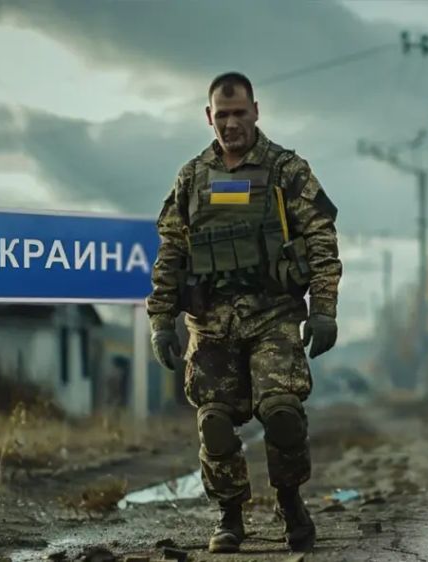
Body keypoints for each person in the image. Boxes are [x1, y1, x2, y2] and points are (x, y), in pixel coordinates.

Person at [146, 71, 342, 553]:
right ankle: (229, 515)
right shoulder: (191, 177)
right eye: (222, 115)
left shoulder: (286, 170)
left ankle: (291, 502)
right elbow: (171, 251)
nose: (231, 124)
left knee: (282, 412)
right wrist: (160, 320)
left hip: (273, 315)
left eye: (239, 113)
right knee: (213, 421)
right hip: (211, 322)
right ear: (208, 116)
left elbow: (321, 238)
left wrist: (324, 309)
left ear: (256, 111)